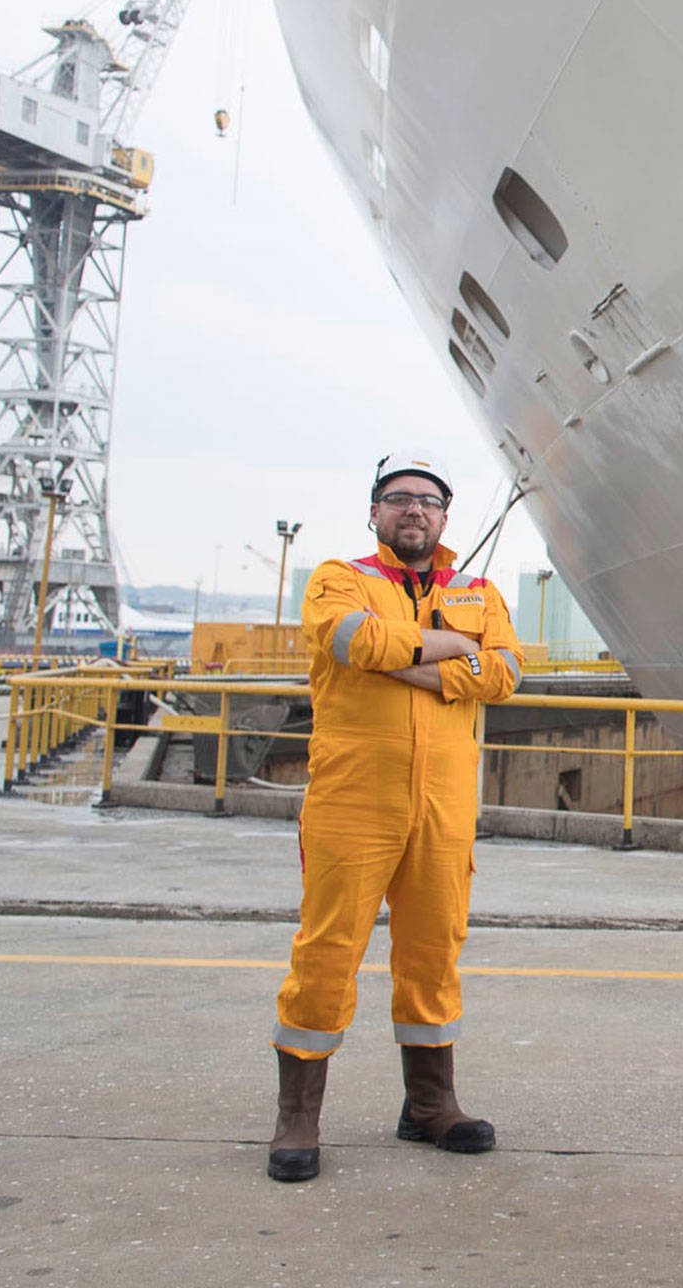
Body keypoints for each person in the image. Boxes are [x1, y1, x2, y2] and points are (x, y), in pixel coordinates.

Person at [265, 450, 523, 1182]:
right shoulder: (339, 579)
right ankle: (298, 1117)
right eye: (399, 498)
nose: (415, 510)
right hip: (353, 801)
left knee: (433, 954)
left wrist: (407, 661)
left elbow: (504, 673)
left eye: (430, 501)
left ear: (445, 517)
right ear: (374, 512)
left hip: (442, 806)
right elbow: (355, 640)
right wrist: (452, 652)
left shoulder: (478, 587)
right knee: (327, 953)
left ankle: (430, 1106)